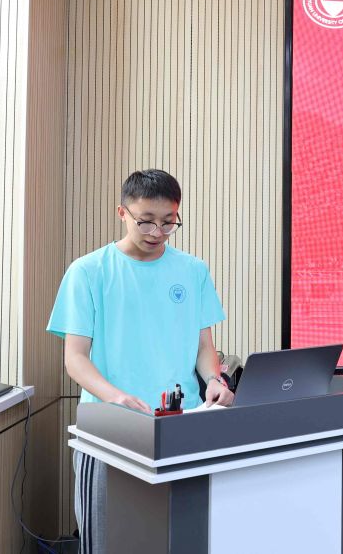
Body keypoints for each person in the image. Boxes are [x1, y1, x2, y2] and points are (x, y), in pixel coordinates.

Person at [46, 169, 234, 553]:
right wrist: (115, 397)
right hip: (109, 430)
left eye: (168, 222)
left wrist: (215, 380)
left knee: (181, 536)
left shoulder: (193, 270)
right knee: (108, 539)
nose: (156, 232)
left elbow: (203, 347)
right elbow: (75, 359)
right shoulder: (88, 271)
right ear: (122, 213)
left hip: (181, 425)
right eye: (146, 221)